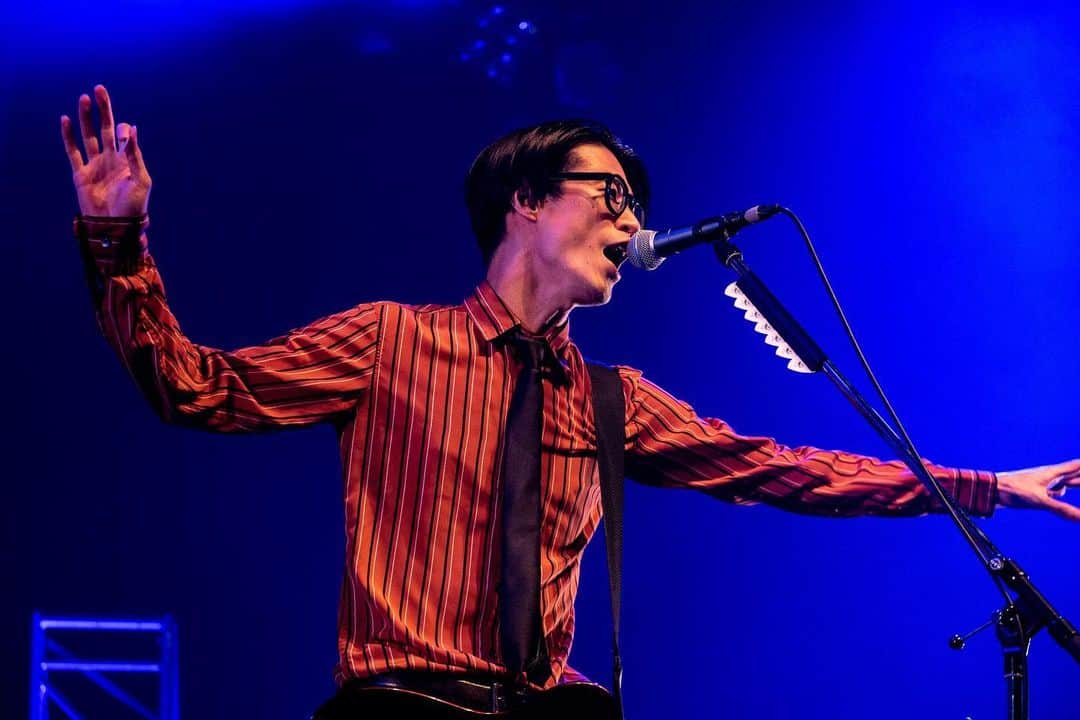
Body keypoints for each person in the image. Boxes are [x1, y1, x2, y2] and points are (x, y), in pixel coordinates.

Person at [62, 85, 1079, 717]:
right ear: (527, 201)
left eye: (636, 207)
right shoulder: (389, 341)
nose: (631, 224)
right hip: (404, 701)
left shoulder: (610, 399)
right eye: (610, 195)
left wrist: (988, 487)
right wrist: (117, 242)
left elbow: (781, 470)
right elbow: (197, 388)